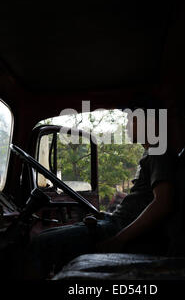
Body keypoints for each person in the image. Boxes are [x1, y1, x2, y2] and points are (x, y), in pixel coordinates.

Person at [23, 108, 176, 279]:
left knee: (40, 243)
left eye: (131, 120)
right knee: (44, 237)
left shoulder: (159, 152)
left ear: (150, 123)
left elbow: (163, 203)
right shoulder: (151, 153)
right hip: (114, 223)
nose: (126, 125)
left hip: (118, 229)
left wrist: (119, 240)